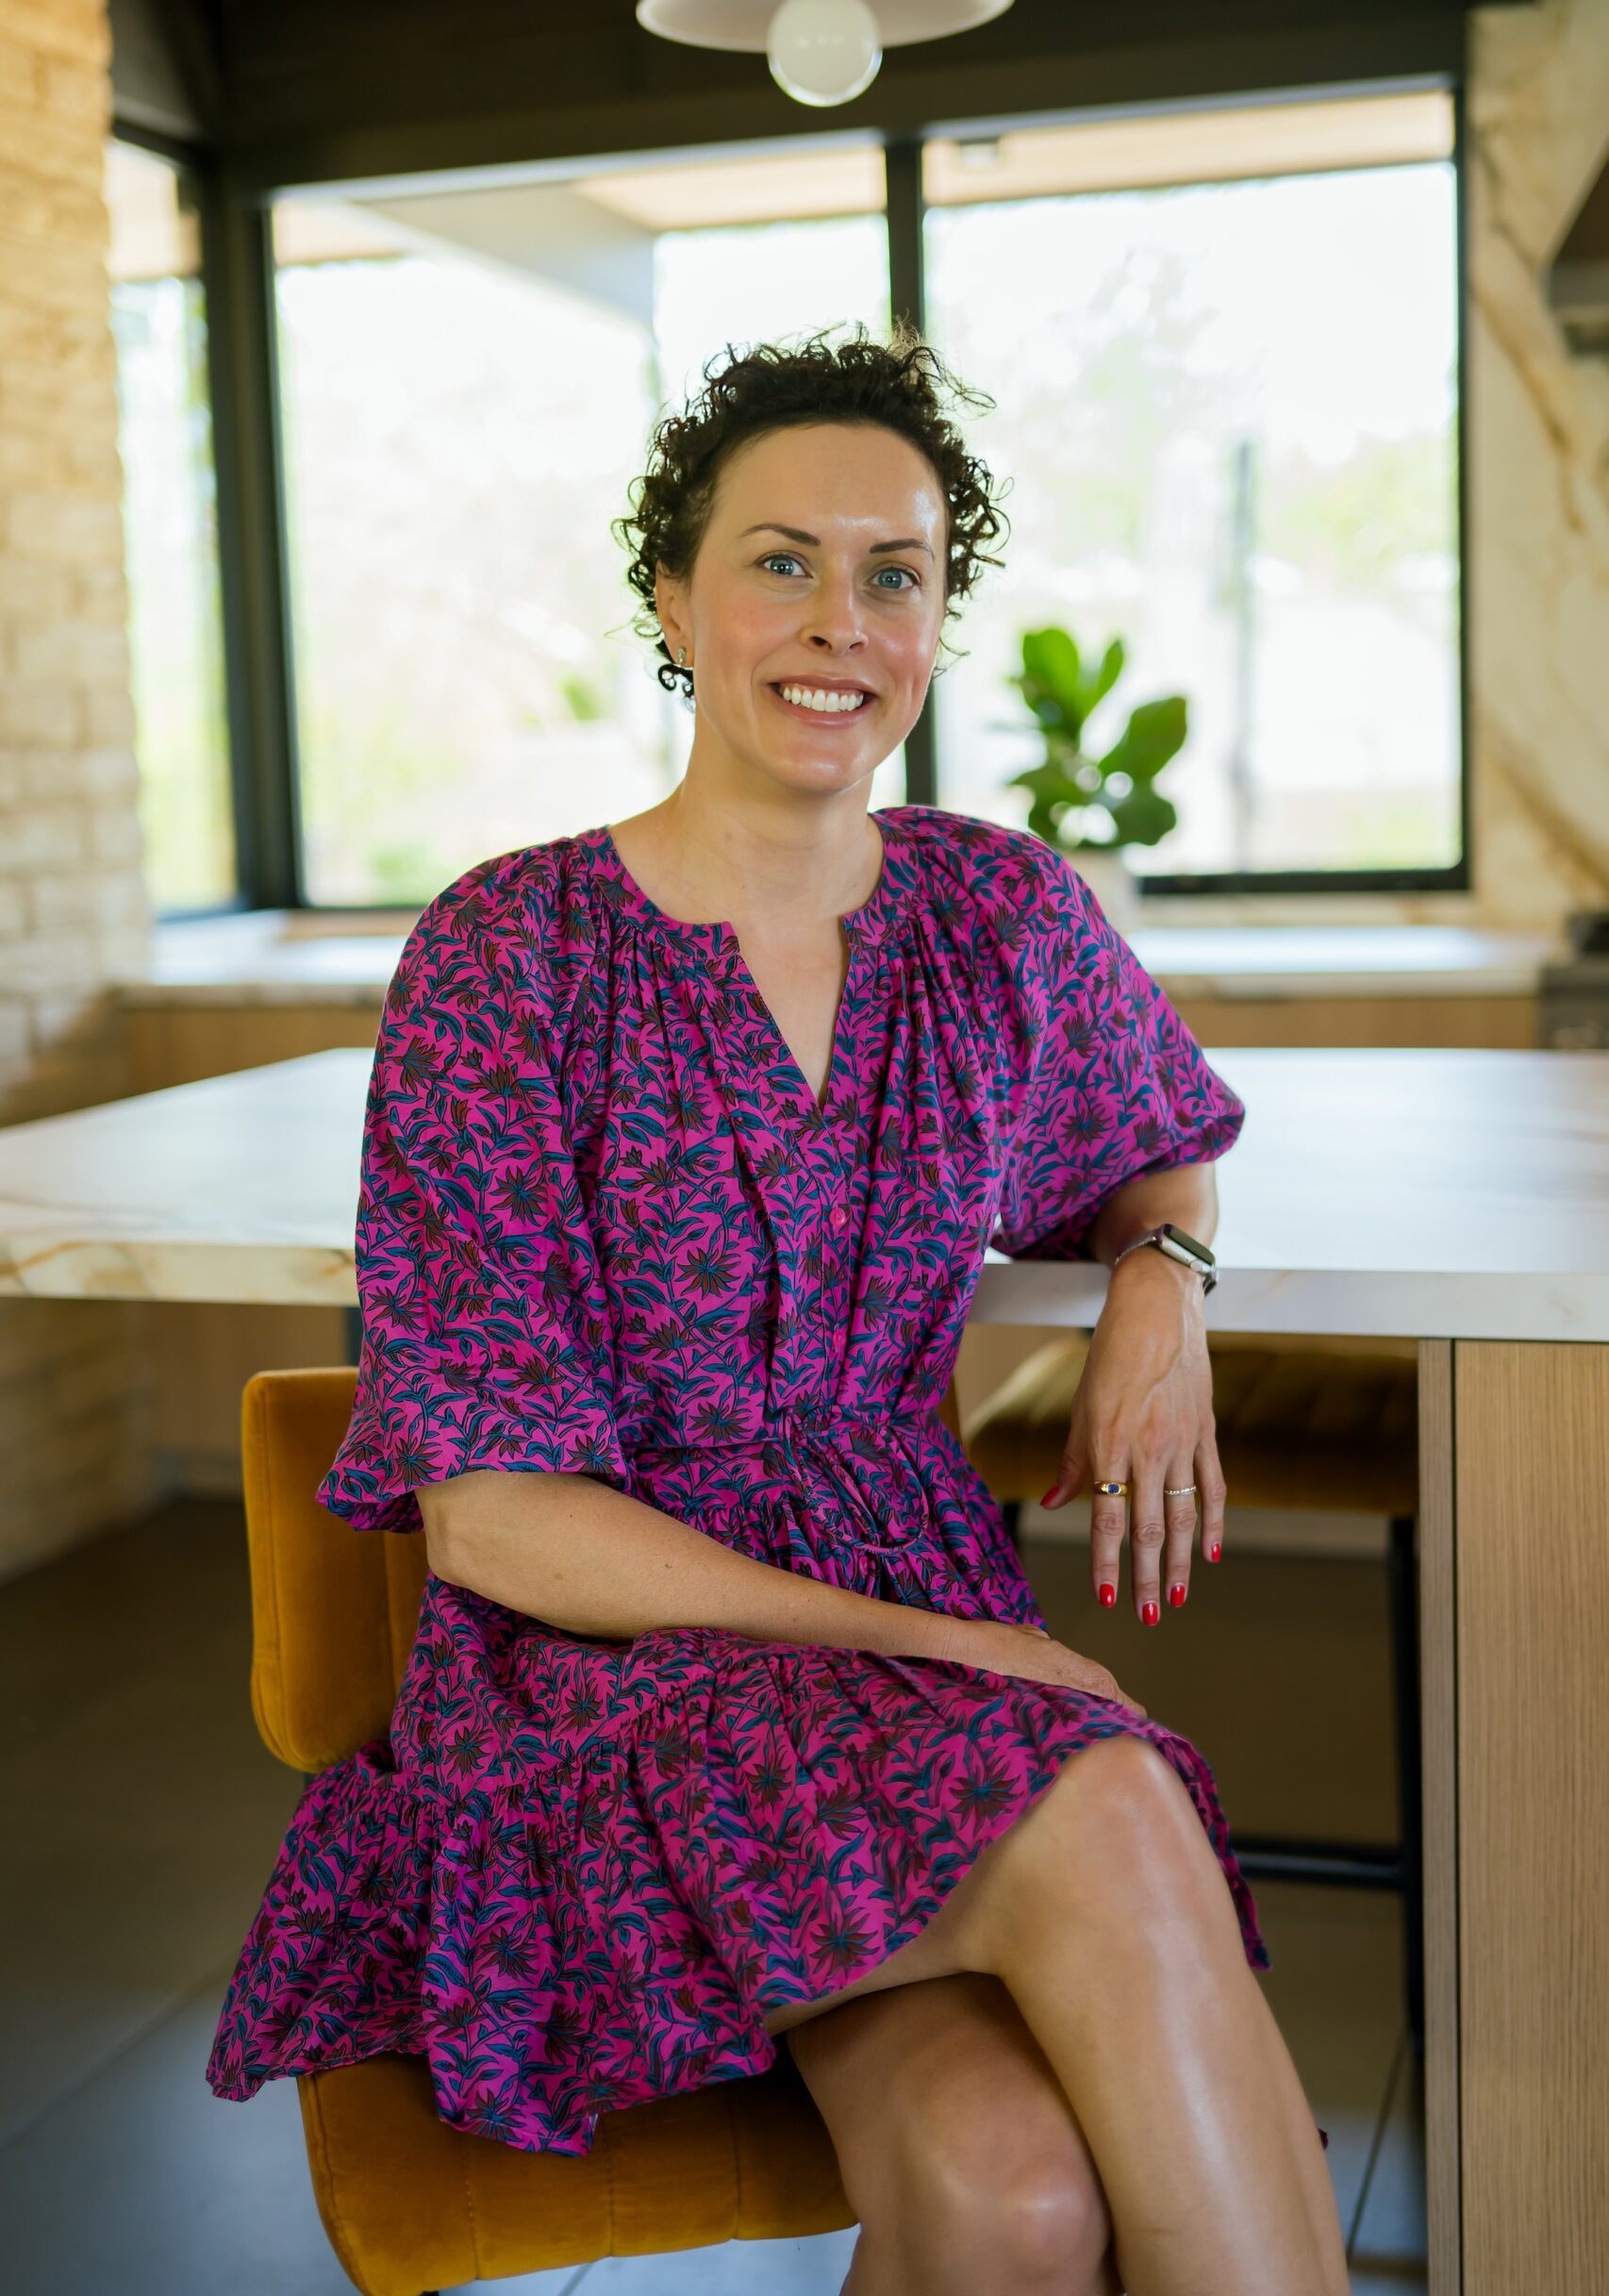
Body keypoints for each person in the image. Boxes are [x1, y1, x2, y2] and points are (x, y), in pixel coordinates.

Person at [207, 325, 1350, 2296]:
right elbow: (490, 1516)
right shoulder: (509, 950)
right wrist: (950, 1644)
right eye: (780, 560)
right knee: (1109, 1800)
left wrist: (1163, 1279)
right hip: (606, 1686)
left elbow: (1160, 1137)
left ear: (937, 619)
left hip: (893, 1691)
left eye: (893, 571)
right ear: (673, 593)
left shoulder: (995, 912)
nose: (841, 621)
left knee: (1006, 2190)